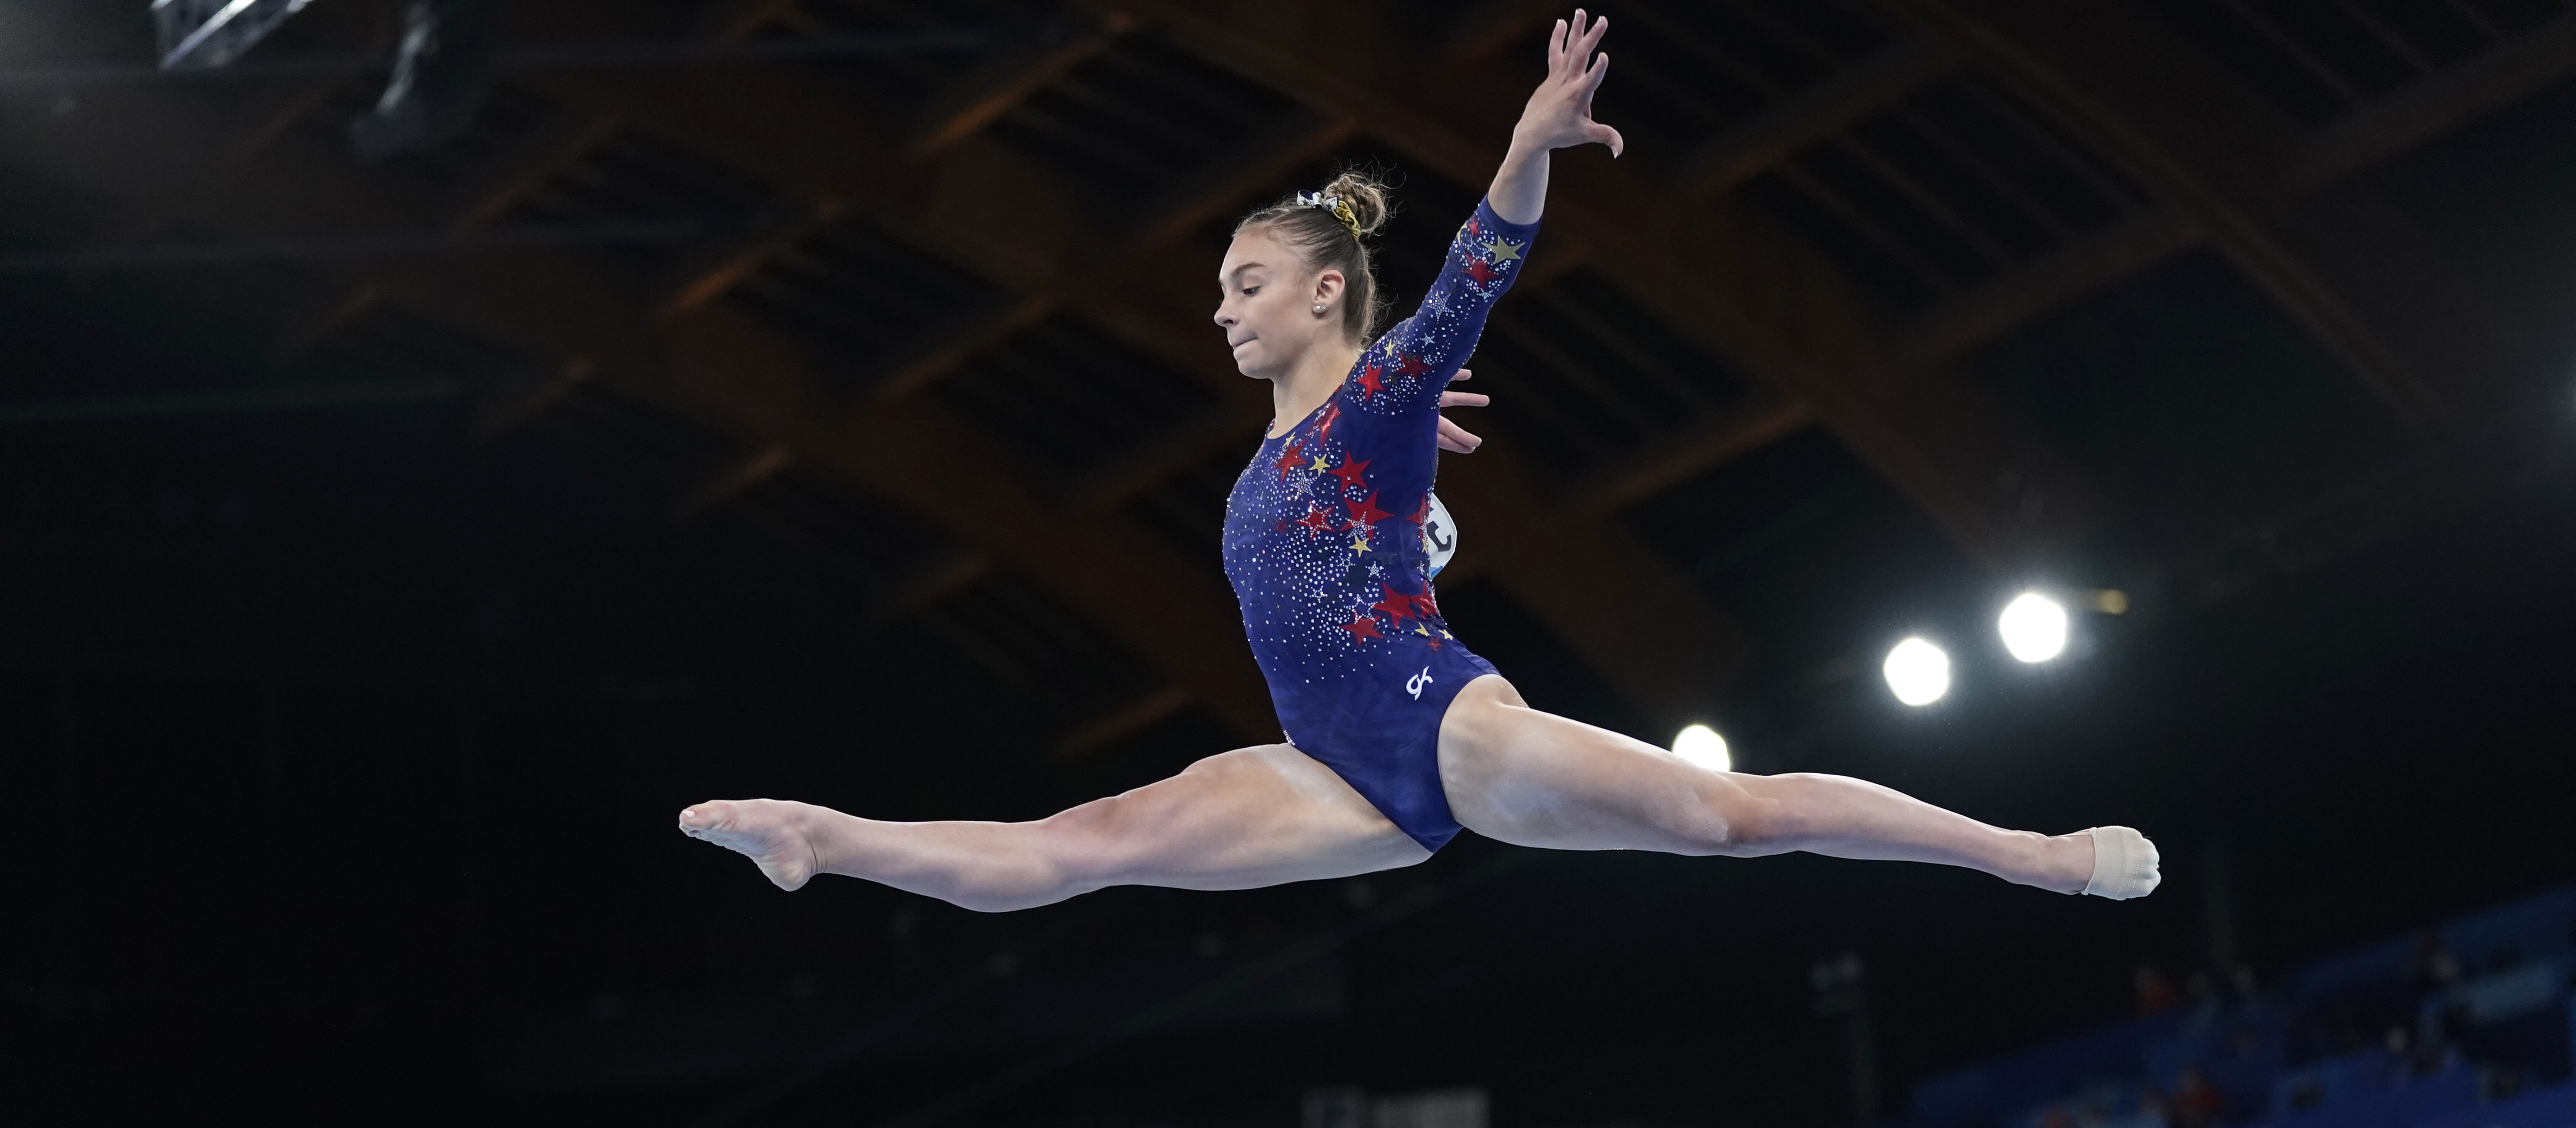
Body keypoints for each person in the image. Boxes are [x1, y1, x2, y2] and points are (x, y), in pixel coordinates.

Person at [677, 14, 2160, 916]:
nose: (1219, 307)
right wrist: (1423, 518)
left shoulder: (1379, 391)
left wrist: (1528, 146)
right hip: (1331, 775)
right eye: (1219, 287)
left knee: (1724, 819)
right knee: (1084, 847)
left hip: (1438, 721)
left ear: (1325, 290)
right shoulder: (1296, 457)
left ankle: (2030, 856)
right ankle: (825, 837)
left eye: (1245, 281)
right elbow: (1374, 545)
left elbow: (1474, 274)